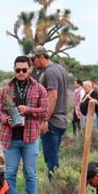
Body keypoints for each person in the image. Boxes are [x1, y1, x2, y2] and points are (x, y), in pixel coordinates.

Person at [0, 55, 48, 194]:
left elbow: (44, 111)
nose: (21, 73)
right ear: (14, 69)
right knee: (10, 172)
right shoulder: (5, 90)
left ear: (30, 69)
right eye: (18, 70)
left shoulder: (39, 89)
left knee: (30, 173)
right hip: (10, 138)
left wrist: (29, 110)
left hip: (30, 138)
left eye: (24, 70)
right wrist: (7, 120)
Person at [32, 46, 69, 178]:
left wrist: (45, 119)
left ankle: (55, 188)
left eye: (34, 59)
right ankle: (58, 185)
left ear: (41, 57)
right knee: (54, 156)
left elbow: (53, 96)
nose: (33, 62)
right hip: (62, 120)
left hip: (52, 121)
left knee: (51, 159)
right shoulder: (61, 69)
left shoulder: (50, 72)